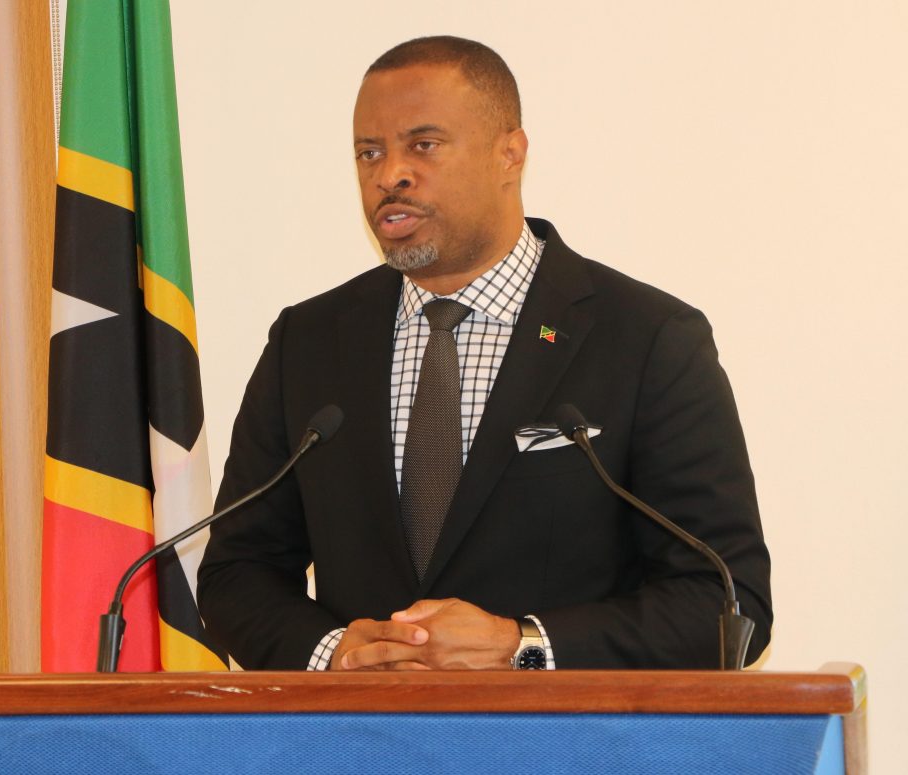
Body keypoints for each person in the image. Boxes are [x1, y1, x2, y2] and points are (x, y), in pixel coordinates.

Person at [197, 36, 772, 671]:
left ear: (510, 154)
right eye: (369, 152)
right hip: (359, 748)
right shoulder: (308, 341)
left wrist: (524, 646)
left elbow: (727, 601)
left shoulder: (647, 338)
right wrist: (334, 653)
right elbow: (237, 572)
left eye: (423, 144)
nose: (390, 174)